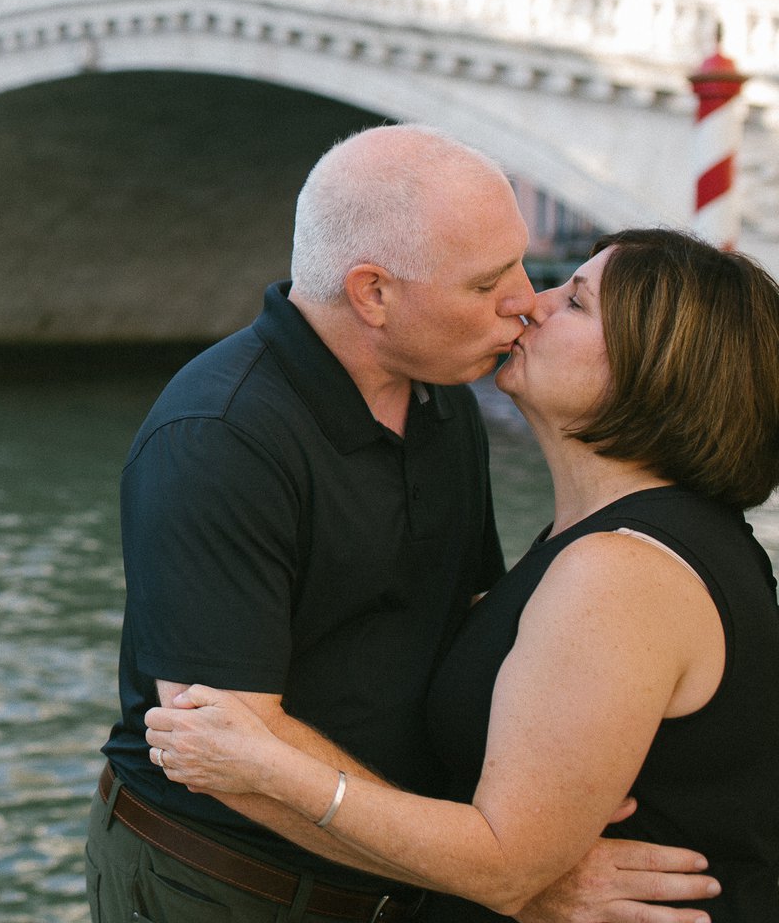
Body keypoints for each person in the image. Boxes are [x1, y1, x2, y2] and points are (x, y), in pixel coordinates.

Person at [86, 125, 715, 923]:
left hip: (392, 875)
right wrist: (499, 869)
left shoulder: (443, 395)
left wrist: (516, 836)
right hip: (225, 883)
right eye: (488, 282)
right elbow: (228, 745)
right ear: (372, 293)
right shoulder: (220, 437)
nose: (525, 299)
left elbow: (471, 623)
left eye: (521, 262)